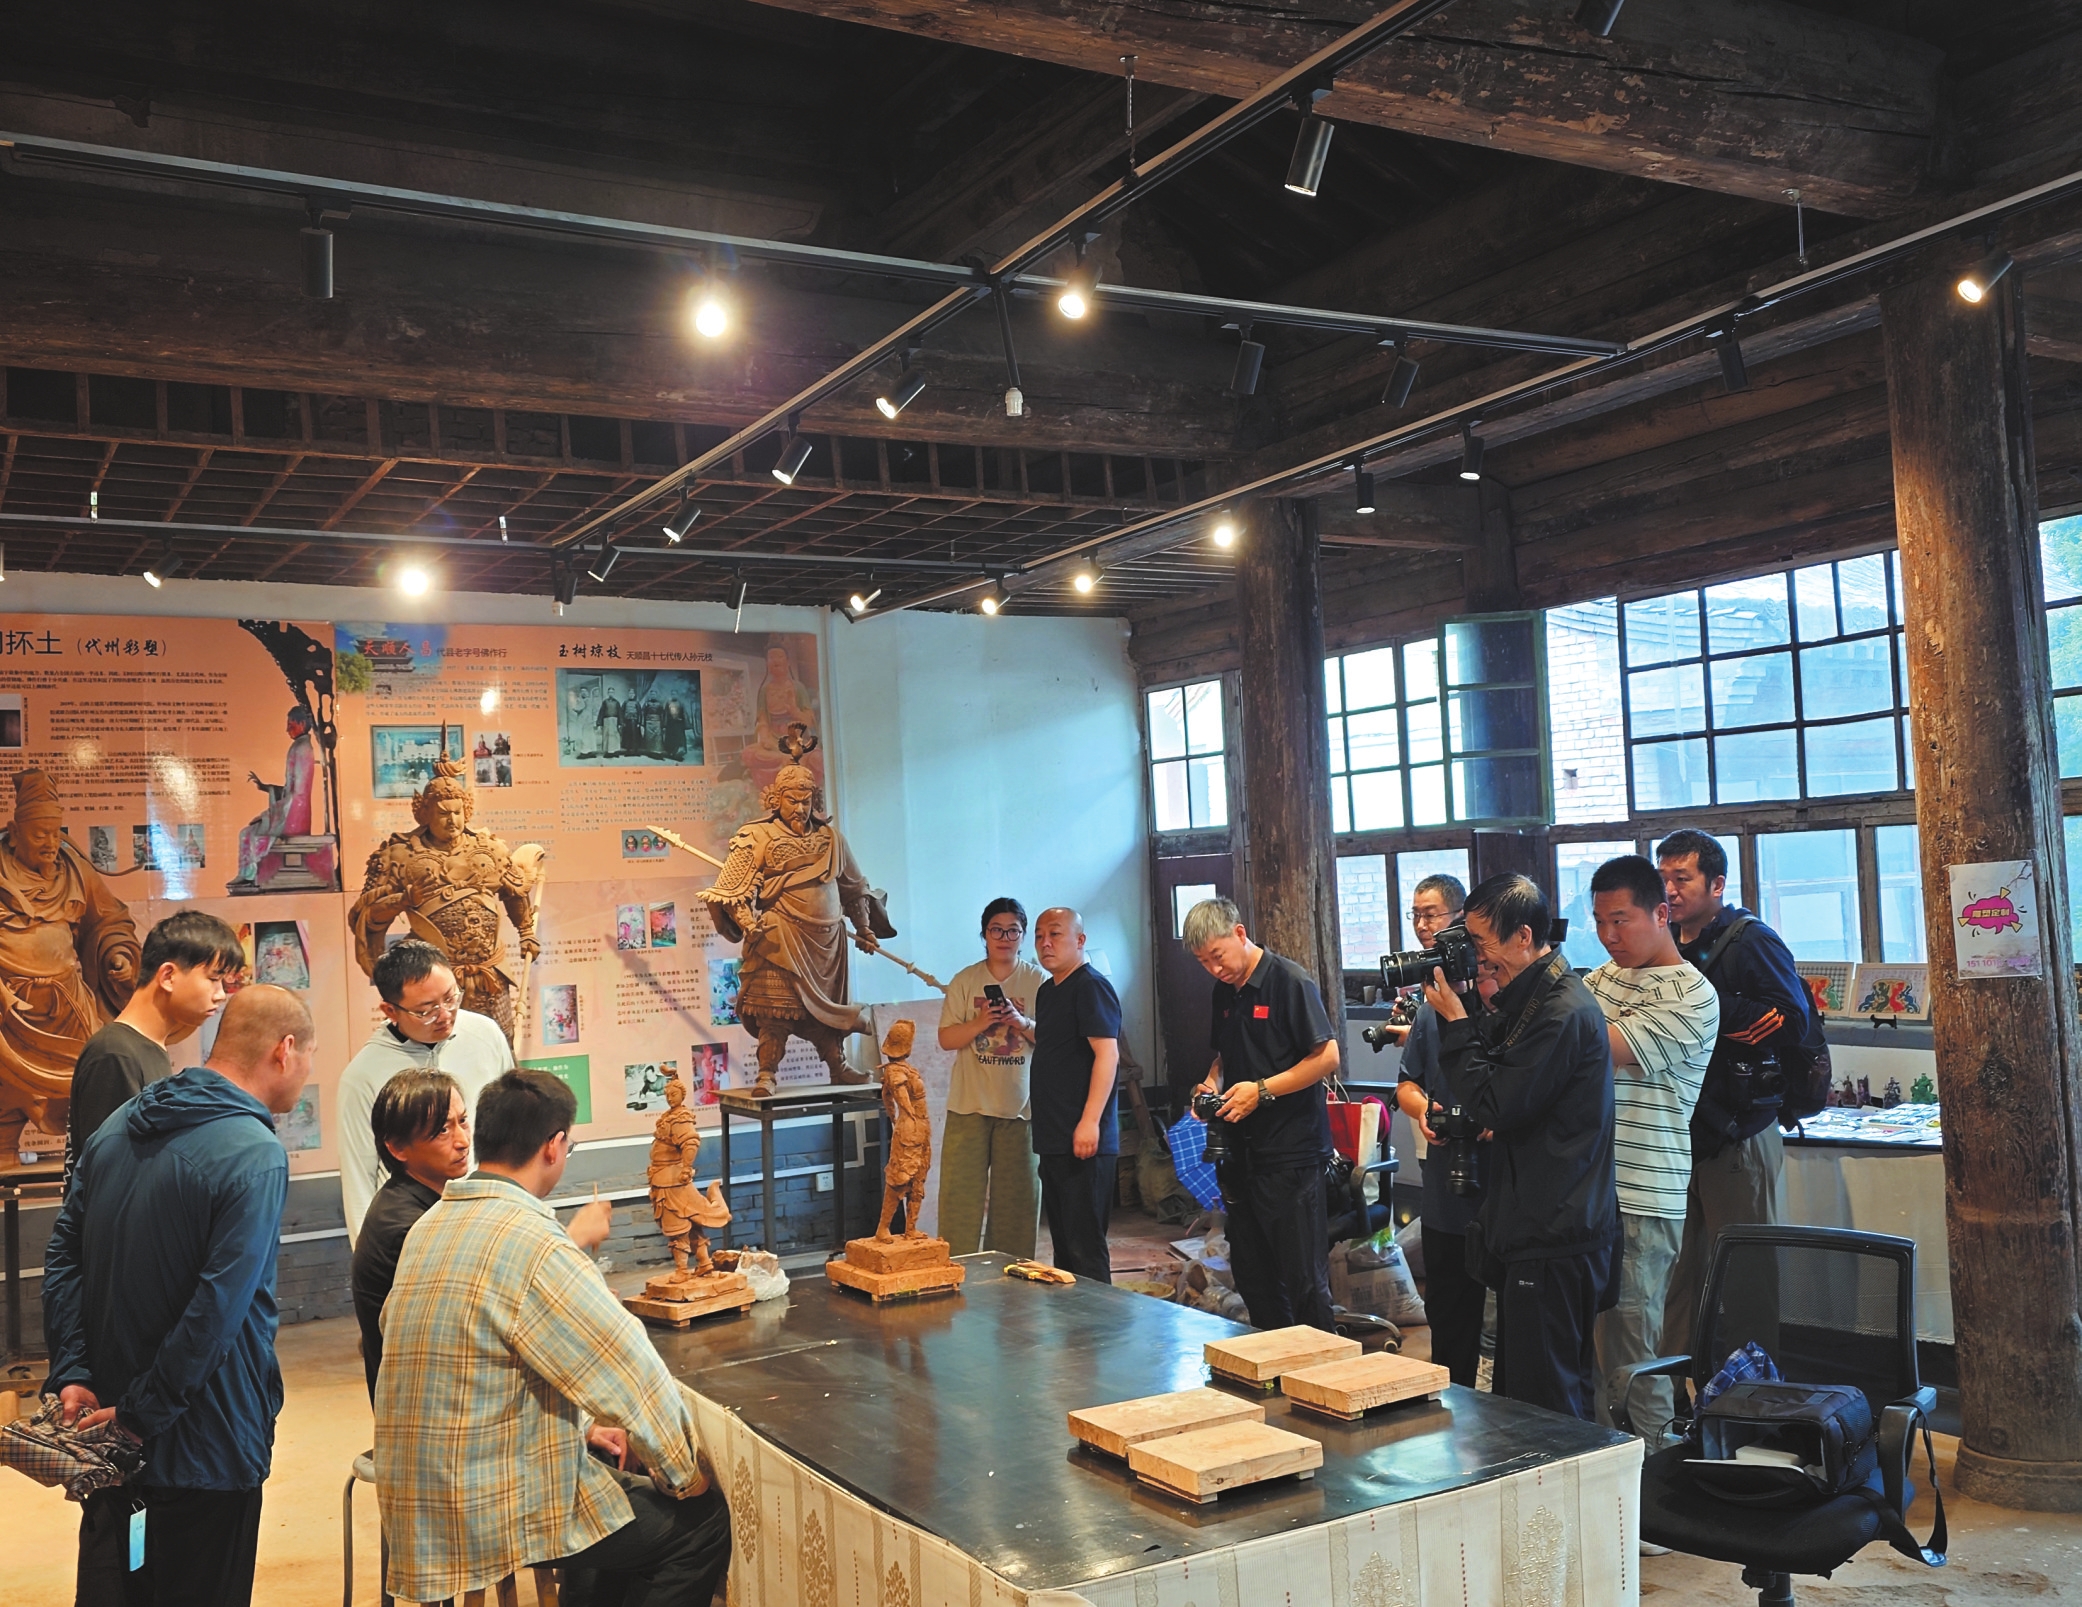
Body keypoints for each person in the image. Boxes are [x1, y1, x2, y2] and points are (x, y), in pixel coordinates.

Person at [376, 1069, 726, 1606]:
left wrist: (584, 1428)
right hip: (483, 1505)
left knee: (607, 1484)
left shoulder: (429, 1227)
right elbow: (629, 1370)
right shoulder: (536, 1242)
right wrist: (685, 1476)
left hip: (418, 1498)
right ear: (554, 1146)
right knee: (701, 1523)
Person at [43, 986, 317, 1607]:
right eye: (309, 1056)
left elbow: (62, 1255)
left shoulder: (118, 1125)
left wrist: (74, 1372)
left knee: (120, 1588)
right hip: (205, 1445)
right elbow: (217, 1310)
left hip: (106, 1432)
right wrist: (142, 1416)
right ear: (285, 1050)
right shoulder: (254, 1153)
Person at [1426, 874, 1617, 1421]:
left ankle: (1567, 1482)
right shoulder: (1535, 1000)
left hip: (1555, 1235)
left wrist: (1457, 1021)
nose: (1477, 957)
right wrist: (1466, 1005)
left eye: (1481, 942)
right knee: (1523, 1398)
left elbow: (1497, 1104)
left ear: (1524, 936)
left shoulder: (1561, 1011)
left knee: (1548, 1406)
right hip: (1541, 1229)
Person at [1654, 828, 1823, 1387]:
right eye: (1663, 878)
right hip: (1682, 1132)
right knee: (1676, 1275)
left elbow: (1790, 1020)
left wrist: (1704, 1008)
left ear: (1716, 884)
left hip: (1741, 1134)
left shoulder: (1750, 941)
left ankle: (1754, 1395)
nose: (1670, 890)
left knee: (1748, 1276)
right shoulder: (1664, 943)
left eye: (1682, 878)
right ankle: (1672, 1397)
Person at [1582, 856, 1719, 1437]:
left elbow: (1594, 1047)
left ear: (1661, 914)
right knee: (1588, 1358)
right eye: (1599, 922)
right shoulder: (1598, 981)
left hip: (1644, 1194)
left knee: (1634, 1363)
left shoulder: (1693, 994)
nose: (1609, 936)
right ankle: (1603, 1471)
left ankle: (1655, 1474)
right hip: (1587, 1192)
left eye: (1621, 920)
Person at [1184, 898, 1341, 1332]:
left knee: (1303, 1280)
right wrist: (1210, 1083)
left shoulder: (1289, 981)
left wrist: (1263, 1090)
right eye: (1203, 962)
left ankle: (1321, 1366)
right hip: (1240, 1155)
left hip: (1291, 1153)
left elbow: (1327, 1057)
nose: (1214, 969)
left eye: (1217, 956)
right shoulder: (1224, 992)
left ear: (1239, 933)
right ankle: (1276, 1359)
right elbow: (1224, 1055)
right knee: (1254, 1278)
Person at [336, 939, 514, 1248]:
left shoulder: (485, 1035)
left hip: (489, 1219)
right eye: (426, 1010)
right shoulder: (363, 1075)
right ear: (390, 1010)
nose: (444, 1015)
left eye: (450, 998)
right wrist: (369, 1257)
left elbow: (508, 1131)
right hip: (414, 1232)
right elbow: (358, 1179)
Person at [1390, 874, 1493, 1387]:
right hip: (1444, 1185)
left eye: (1430, 914)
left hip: (1499, 1187)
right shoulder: (1432, 1008)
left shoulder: (1500, 1005)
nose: (1421, 925)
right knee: (1448, 1315)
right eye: (1415, 915)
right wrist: (1425, 1111)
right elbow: (1406, 1084)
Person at [0, 768, 140, 1136]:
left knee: (87, 1095)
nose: (50, 843)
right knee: (5, 1102)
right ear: (14, 832)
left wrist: (117, 955)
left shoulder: (75, 872)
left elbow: (108, 921)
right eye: (39, 834)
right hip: (10, 1014)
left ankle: (90, 1158)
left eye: (55, 833)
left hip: (69, 1008)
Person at [64, 910, 243, 1195]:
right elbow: (110, 1182)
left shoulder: (147, 1048)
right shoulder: (115, 1054)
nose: (220, 994)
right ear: (168, 976)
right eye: (213, 979)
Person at [349, 1070, 470, 1401]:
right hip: (423, 1407)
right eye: (442, 1130)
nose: (462, 1140)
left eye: (462, 1121)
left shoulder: (423, 1200)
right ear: (398, 1147)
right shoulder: (408, 1226)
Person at [936, 898, 1047, 1257]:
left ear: (1023, 936)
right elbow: (946, 1038)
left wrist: (1021, 1022)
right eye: (996, 930)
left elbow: (1054, 1039)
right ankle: (957, 1268)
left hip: (1021, 1108)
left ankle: (1009, 1274)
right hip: (968, 1106)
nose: (1004, 938)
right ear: (984, 935)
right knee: (959, 1199)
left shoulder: (1039, 980)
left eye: (1013, 931)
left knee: (1018, 1202)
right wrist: (981, 1022)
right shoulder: (965, 980)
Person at [1029, 906, 1122, 1282]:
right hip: (1054, 1136)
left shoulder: (1091, 986)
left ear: (1080, 940)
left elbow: (1107, 1054)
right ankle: (1073, 1319)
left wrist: (1090, 1121)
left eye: (1055, 934)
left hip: (1084, 1139)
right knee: (1065, 1248)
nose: (1045, 943)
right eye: (1039, 936)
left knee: (1085, 1248)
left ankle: (1099, 1320)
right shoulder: (1048, 991)